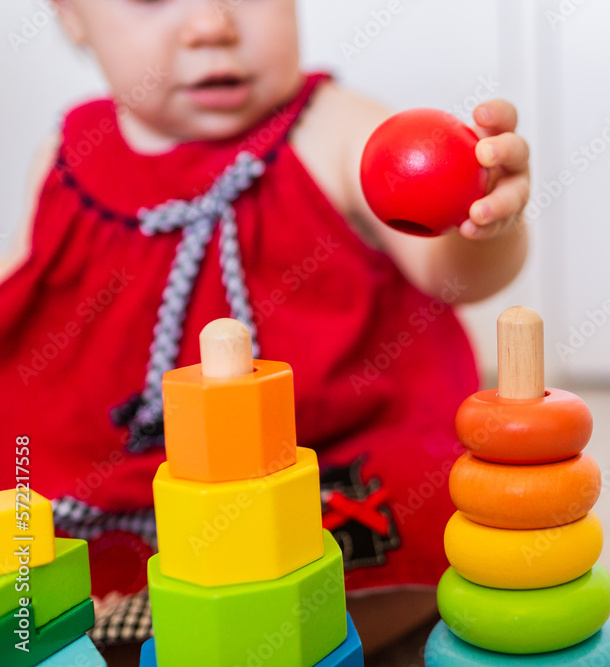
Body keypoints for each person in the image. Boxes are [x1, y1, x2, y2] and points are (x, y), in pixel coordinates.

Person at [0, 0, 530, 661]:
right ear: (71, 16)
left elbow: (450, 277)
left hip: (322, 459)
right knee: (29, 528)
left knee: (447, 509)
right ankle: (122, 616)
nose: (212, 25)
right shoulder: (68, 152)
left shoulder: (336, 128)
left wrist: (480, 219)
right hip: (112, 465)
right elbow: (19, 295)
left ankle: (274, 633)